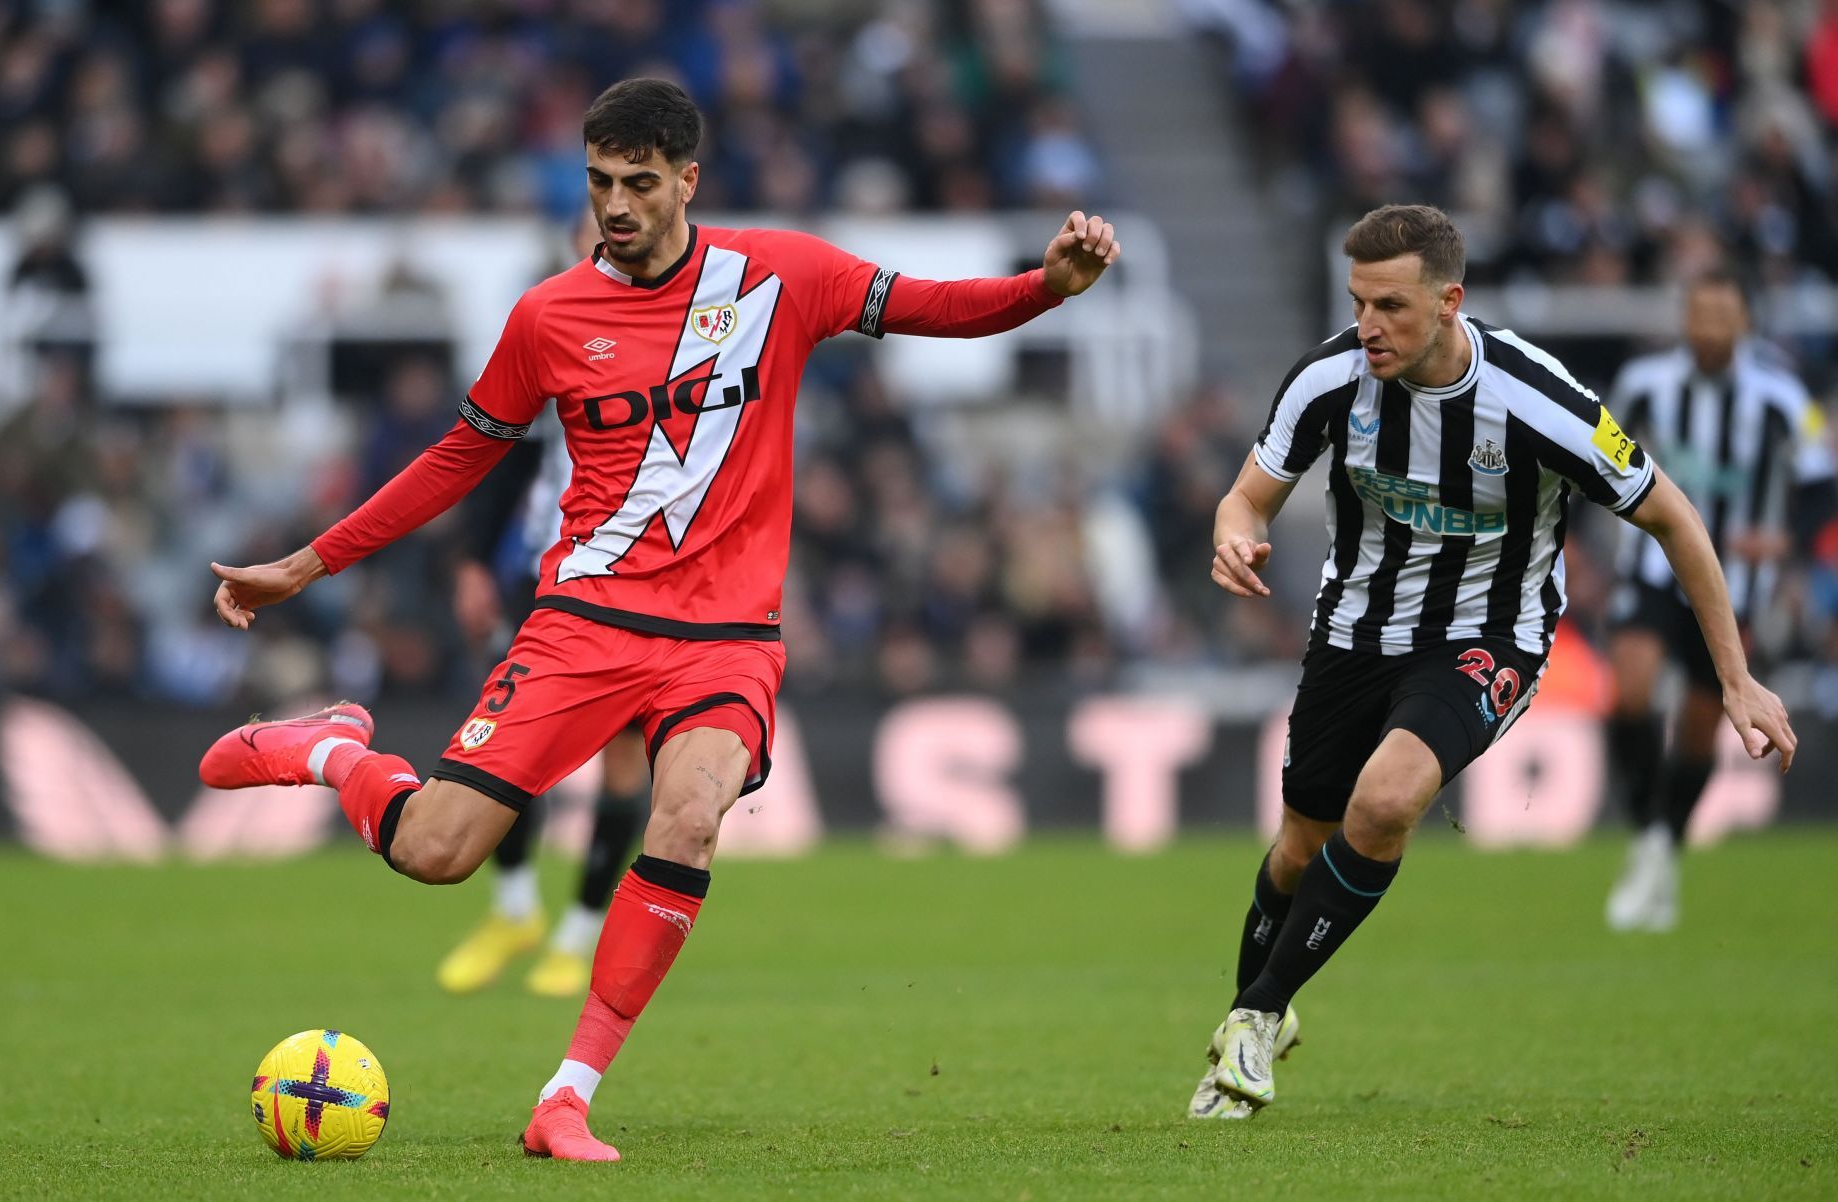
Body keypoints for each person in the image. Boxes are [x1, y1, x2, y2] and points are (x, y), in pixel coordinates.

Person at [196, 77, 1120, 1161]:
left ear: (689, 179)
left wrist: (1045, 287)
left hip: (729, 635)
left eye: (639, 183)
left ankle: (567, 1095)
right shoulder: (548, 315)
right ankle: (333, 753)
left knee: (685, 819)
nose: (616, 206)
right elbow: (459, 458)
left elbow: (938, 306)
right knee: (439, 851)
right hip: (585, 617)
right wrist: (305, 564)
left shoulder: (781, 275)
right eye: (599, 182)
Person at [1192, 204, 1794, 1121]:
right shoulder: (1327, 379)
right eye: (1359, 303)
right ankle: (1252, 1020)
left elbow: (1673, 515)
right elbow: (1246, 497)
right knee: (1298, 850)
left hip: (1488, 635)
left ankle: (1255, 1020)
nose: (1368, 327)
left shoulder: (1537, 400)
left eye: (1391, 305)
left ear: (1449, 302)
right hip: (1354, 631)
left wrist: (1736, 677)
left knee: (1388, 800)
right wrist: (1236, 536)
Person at [435, 208, 652, 997]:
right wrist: (469, 563)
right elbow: (497, 452)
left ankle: (579, 934)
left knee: (625, 754)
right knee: (512, 741)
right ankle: (516, 908)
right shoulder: (553, 321)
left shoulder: (682, 322)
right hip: (546, 569)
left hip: (638, 574)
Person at [1601, 271, 1835, 932]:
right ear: (1684, 319)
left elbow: (1820, 482)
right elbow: (1599, 458)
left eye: (1721, 316)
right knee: (1630, 692)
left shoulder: (1783, 398)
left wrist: (1784, 538)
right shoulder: (1646, 386)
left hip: (1735, 587)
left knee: (1703, 726)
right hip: (1649, 568)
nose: (1708, 328)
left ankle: (1664, 848)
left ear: (1744, 324)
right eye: (1698, 314)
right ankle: (1648, 828)